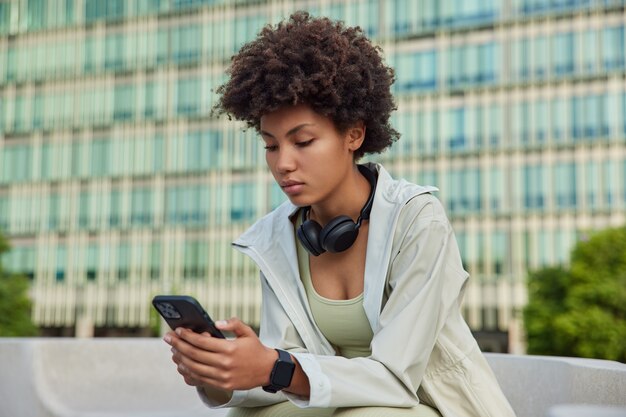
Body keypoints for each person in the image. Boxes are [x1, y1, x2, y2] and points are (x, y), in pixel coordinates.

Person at [163, 11, 516, 417]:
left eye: (304, 141)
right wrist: (221, 374)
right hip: (338, 402)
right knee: (249, 415)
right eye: (271, 145)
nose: (283, 164)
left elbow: (397, 378)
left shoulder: (417, 221)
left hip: (423, 404)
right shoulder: (277, 235)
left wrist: (276, 366)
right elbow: (291, 369)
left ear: (354, 134)